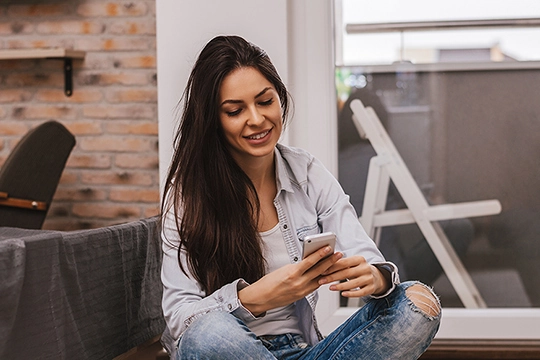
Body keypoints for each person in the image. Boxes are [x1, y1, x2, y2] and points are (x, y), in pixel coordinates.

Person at [160, 35, 441, 360]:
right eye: (236, 110)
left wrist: (375, 277)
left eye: (265, 101)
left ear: (279, 99)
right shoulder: (188, 195)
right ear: (213, 120)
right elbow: (181, 320)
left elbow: (365, 254)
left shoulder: (306, 171)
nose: (256, 119)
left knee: (418, 303)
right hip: (229, 350)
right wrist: (255, 298)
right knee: (207, 333)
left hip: (303, 352)